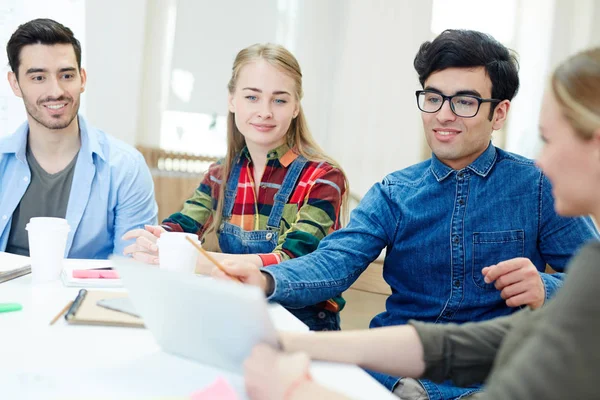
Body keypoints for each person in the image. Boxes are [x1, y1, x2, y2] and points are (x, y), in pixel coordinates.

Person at [212, 30, 599, 398]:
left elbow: (590, 284)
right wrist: (264, 278)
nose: (443, 115)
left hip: (486, 378)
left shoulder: (539, 184)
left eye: (464, 102)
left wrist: (545, 288)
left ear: (498, 114)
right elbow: (334, 262)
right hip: (392, 370)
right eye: (433, 98)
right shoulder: (395, 192)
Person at [123, 43, 348, 332]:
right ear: (232, 100)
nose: (264, 111)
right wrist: (158, 239)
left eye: (279, 100)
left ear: (295, 107)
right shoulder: (221, 174)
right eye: (252, 97)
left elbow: (290, 262)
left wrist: (188, 260)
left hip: (301, 328)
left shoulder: (323, 178)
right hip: (236, 315)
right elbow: (183, 225)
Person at [0, 18, 157, 259]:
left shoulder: (126, 168)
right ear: (15, 84)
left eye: (66, 75)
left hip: (86, 297)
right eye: (38, 78)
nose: (56, 91)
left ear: (82, 78)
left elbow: (131, 273)